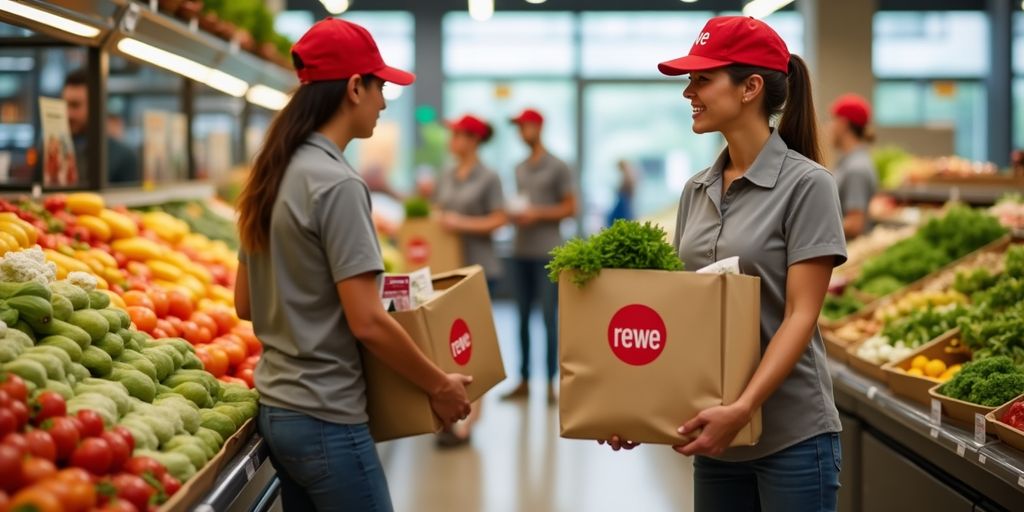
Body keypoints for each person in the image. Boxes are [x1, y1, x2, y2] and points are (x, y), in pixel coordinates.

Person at [601, 16, 847, 512]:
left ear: (750, 87)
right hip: (715, 433)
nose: (688, 92)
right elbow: (681, 311)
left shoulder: (808, 185)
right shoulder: (697, 189)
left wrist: (744, 407)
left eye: (702, 79)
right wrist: (637, 405)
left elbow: (802, 314)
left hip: (791, 435)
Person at [233, 19, 472, 511]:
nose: (384, 102)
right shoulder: (338, 183)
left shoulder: (274, 171)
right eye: (380, 86)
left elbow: (246, 304)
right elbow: (366, 321)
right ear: (354, 87)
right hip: (326, 417)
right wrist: (439, 384)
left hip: (278, 409)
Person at [434, 113, 507, 447]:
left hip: (479, 271)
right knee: (447, 346)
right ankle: (449, 414)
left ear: (473, 140)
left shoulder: (489, 177)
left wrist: (459, 222)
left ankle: (472, 420)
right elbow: (439, 215)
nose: (452, 140)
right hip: (447, 272)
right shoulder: (447, 174)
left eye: (458, 135)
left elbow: (499, 219)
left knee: (473, 348)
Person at [505, 108, 577, 404]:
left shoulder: (558, 166)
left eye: (525, 127)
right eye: (519, 128)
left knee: (548, 320)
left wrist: (538, 214)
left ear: (538, 127)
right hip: (520, 250)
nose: (522, 132)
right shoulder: (519, 167)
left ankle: (549, 384)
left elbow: (570, 208)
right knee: (520, 318)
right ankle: (523, 380)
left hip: (548, 253)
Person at [63, 69, 139, 184]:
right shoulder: (50, 151)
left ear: (95, 105)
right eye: (65, 105)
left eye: (75, 105)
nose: (68, 113)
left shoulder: (123, 157)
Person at [829, 93, 879, 239]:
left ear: (843, 124)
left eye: (833, 120)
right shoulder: (850, 162)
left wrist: (812, 230)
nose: (829, 126)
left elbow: (854, 224)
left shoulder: (856, 168)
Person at [606, 159, 636, 226]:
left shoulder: (627, 177)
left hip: (624, 203)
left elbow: (623, 192)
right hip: (625, 203)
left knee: (614, 219)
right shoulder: (629, 176)